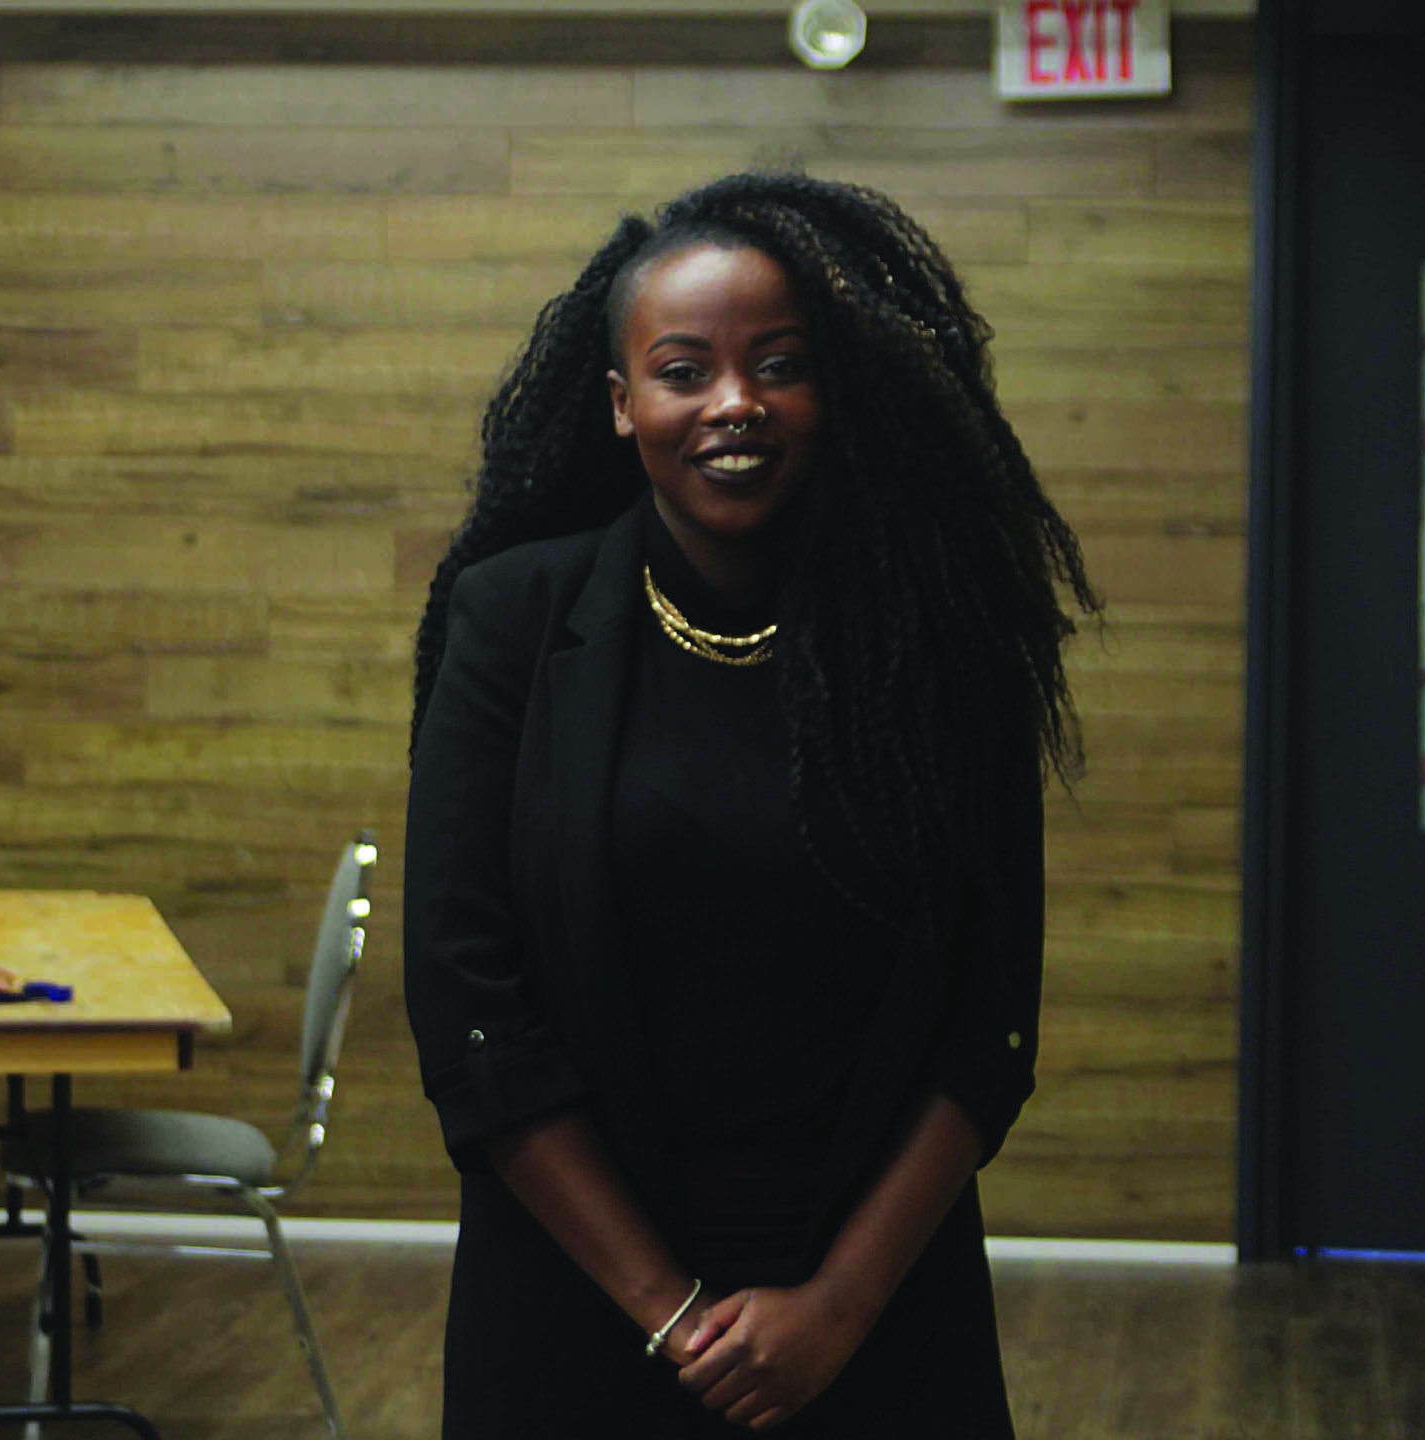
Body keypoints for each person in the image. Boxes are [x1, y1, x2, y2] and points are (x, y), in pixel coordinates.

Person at [403, 172, 1099, 1437]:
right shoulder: (511, 620)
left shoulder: (945, 643)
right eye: (684, 371)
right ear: (621, 403)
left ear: (839, 391)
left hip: (875, 1311)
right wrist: (671, 1314)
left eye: (781, 366)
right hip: (577, 1295)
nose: (736, 402)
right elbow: (466, 997)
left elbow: (988, 1020)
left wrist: (837, 1308)